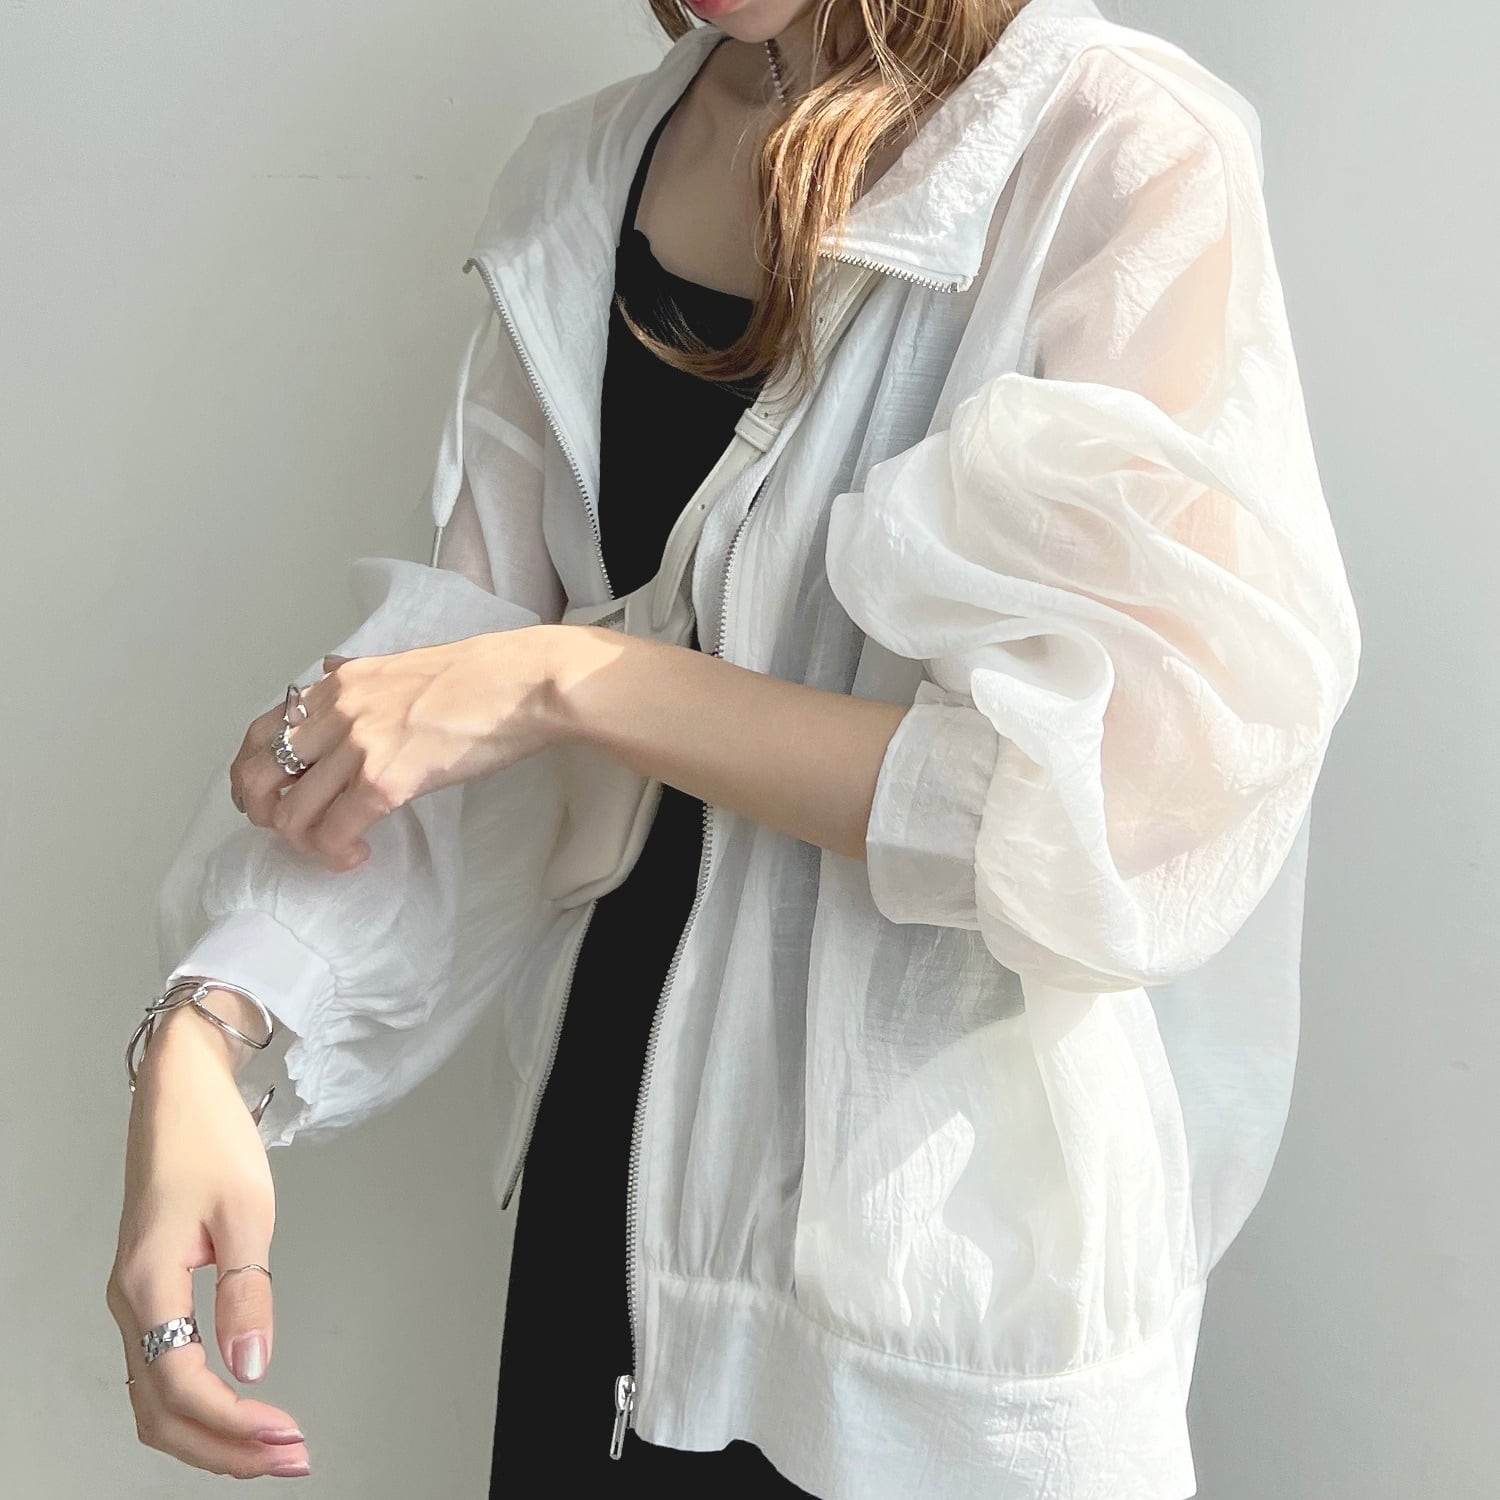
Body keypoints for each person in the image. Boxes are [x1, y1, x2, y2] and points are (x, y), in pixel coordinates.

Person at [107, 0, 1363, 1495]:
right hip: (611, 1219)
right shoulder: (586, 176)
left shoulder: (1109, 151)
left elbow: (1107, 810)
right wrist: (213, 1025)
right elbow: (439, 709)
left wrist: (575, 677)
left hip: (920, 1296)